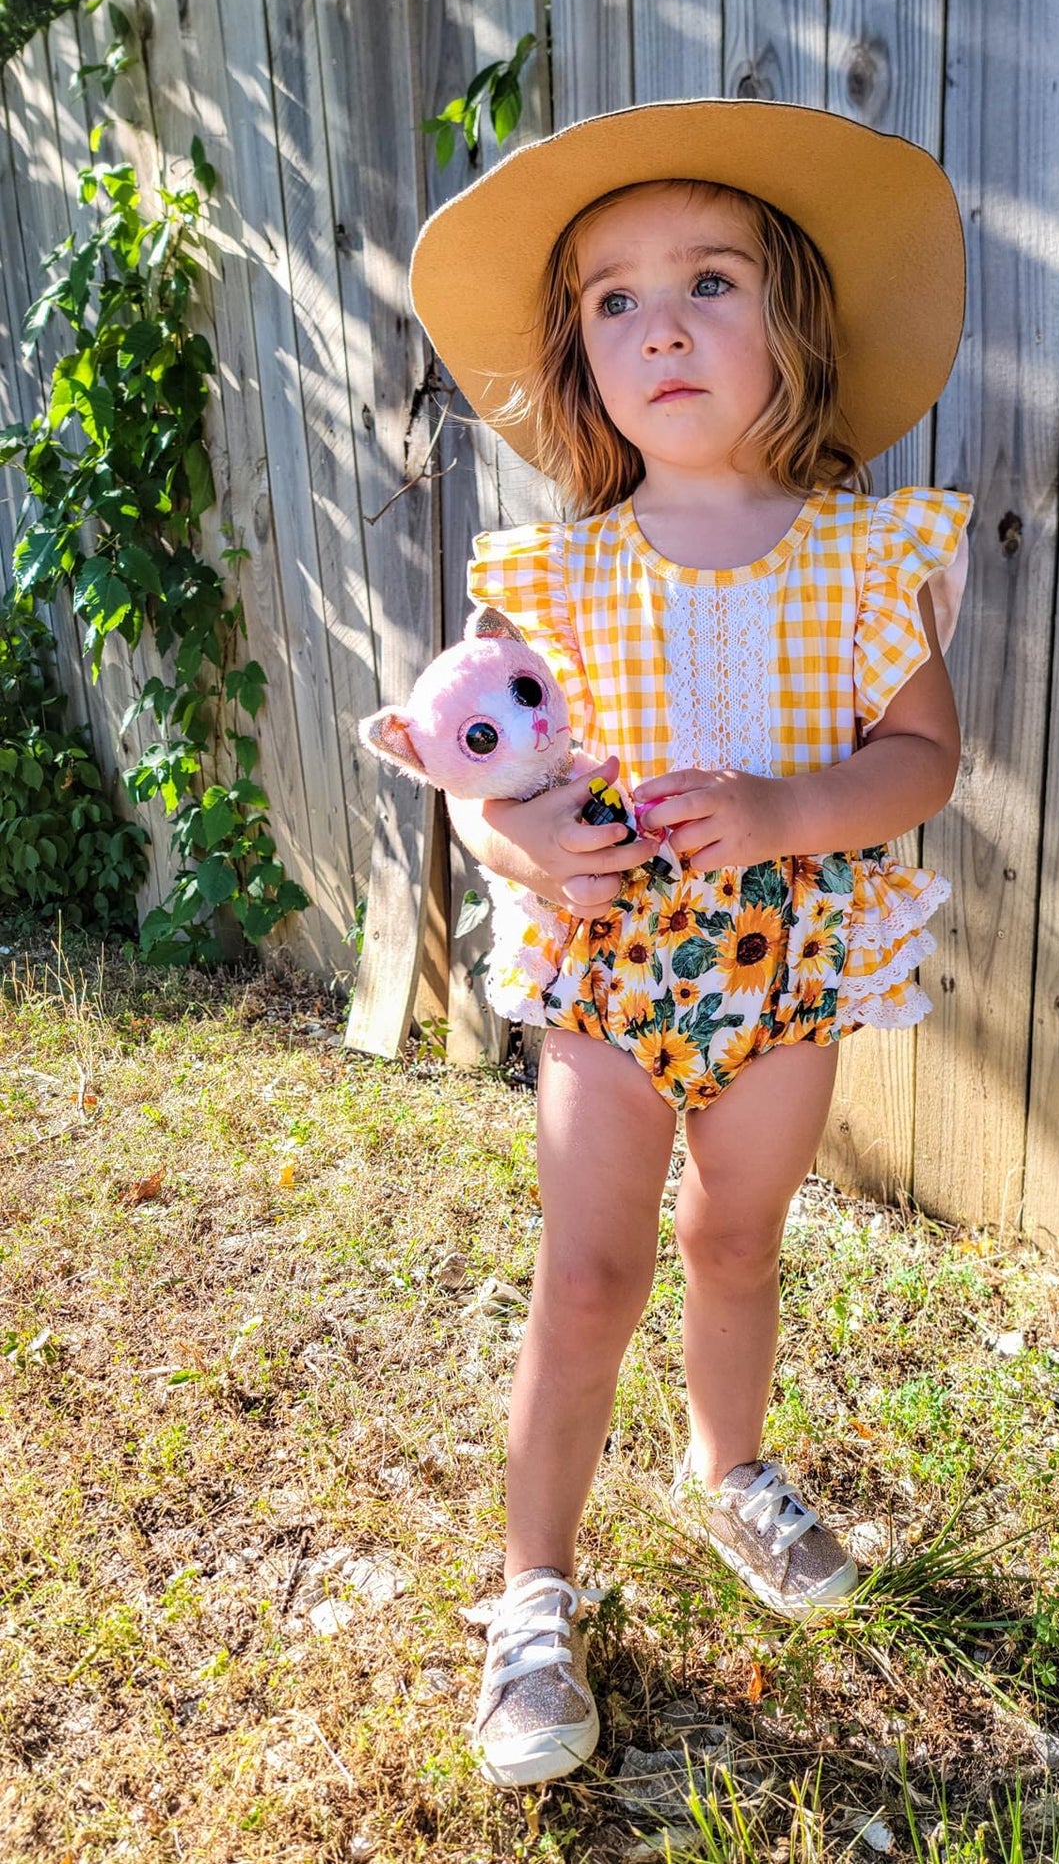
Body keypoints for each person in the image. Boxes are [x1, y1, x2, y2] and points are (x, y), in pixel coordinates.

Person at [409, 98, 973, 1788]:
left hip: (782, 978)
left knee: (737, 1239)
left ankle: (726, 1468)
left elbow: (921, 759)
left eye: (710, 281)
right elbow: (468, 761)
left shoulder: (863, 564)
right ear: (581, 365)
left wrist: (792, 811)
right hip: (604, 979)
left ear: (792, 328)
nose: (661, 323)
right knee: (589, 1273)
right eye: (613, 300)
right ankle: (529, 1595)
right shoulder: (554, 580)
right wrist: (509, 834)